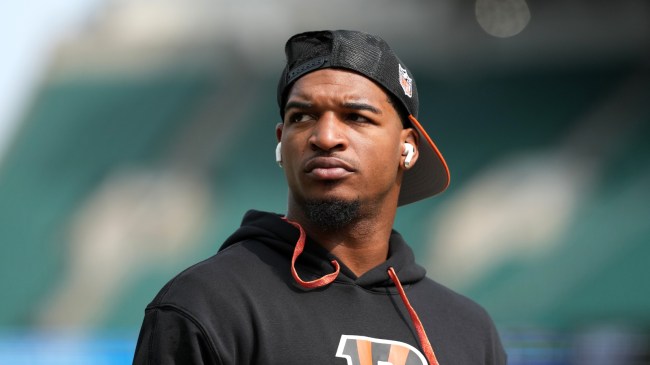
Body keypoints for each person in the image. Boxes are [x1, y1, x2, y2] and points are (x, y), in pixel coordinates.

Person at [133, 30, 507, 365]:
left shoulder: (470, 331)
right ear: (281, 141)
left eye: (356, 117)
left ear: (406, 147)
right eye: (303, 117)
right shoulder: (207, 304)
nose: (325, 137)